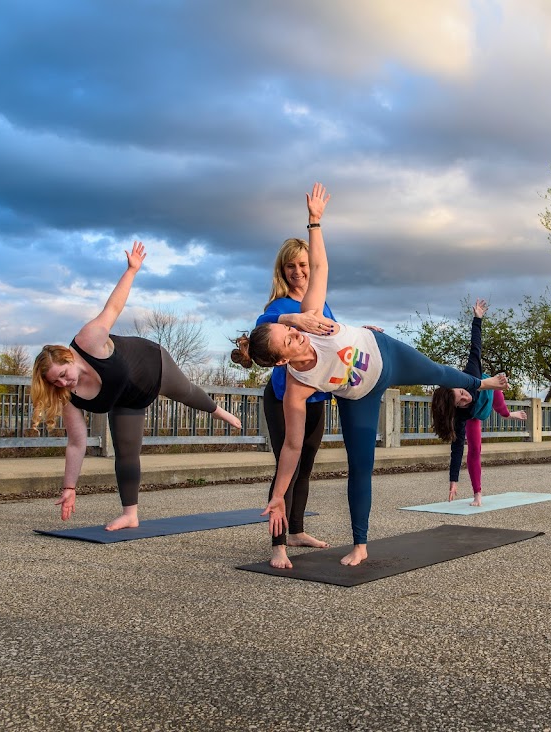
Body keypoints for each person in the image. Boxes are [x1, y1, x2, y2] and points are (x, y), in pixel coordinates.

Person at [231, 184, 509, 566]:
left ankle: (483, 383)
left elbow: (322, 268)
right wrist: (277, 494)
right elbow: (291, 449)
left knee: (441, 373)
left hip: (385, 354)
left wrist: (314, 222)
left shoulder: (308, 318)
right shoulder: (296, 389)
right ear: (281, 362)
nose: (296, 333)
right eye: (288, 339)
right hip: (358, 396)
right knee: (360, 466)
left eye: (290, 328)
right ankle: (360, 544)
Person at [31, 242, 242, 531]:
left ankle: (219, 411)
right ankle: (130, 514)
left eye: (64, 374)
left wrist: (131, 270)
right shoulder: (67, 395)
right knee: (126, 452)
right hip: (129, 399)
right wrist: (69, 487)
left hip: (152, 365)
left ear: (68, 357)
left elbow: (114, 307)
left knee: (186, 393)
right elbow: (77, 443)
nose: (64, 382)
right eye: (56, 382)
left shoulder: (89, 339)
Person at [256, 237, 338, 567]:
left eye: (303, 264)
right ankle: (278, 545)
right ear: (282, 270)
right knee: (286, 467)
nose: (298, 271)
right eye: (291, 266)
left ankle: (297, 530)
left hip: (316, 395)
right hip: (283, 398)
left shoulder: (321, 303)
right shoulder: (278, 307)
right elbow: (261, 328)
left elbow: (333, 334)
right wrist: (293, 320)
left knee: (305, 466)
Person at [430, 298, 526, 506]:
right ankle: (478, 494)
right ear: (456, 408)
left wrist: (477, 318)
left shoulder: (469, 374)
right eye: (461, 401)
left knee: (499, 404)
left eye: (462, 392)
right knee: (474, 449)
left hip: (490, 391)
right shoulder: (460, 416)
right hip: (476, 415)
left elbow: (476, 346)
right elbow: (457, 449)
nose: (466, 397)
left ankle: (510, 414)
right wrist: (453, 481)